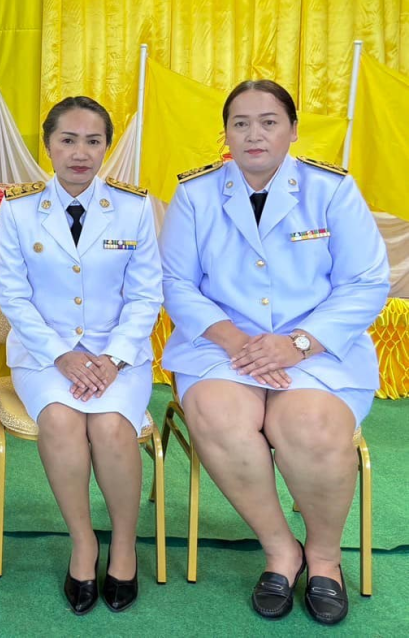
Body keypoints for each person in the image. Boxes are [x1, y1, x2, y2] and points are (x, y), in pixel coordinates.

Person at [161, 80, 389, 626]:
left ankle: (326, 560)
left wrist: (298, 344)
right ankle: (281, 551)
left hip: (318, 346)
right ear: (226, 133)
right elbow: (177, 284)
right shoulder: (196, 195)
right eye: (240, 123)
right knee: (220, 415)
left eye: (269, 121)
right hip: (222, 346)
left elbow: (365, 281)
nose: (254, 134)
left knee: (309, 424)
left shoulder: (331, 190)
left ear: (292, 129)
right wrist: (237, 342)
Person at [0, 96, 160, 614]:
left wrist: (112, 359)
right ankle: (84, 542)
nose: (80, 152)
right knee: (63, 423)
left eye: (93, 141)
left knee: (111, 427)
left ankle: (125, 546)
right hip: (44, 356)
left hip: (120, 355)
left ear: (107, 146)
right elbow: (13, 296)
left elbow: (146, 295)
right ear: (47, 145)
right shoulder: (17, 208)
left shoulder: (134, 208)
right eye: (68, 139)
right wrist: (62, 355)